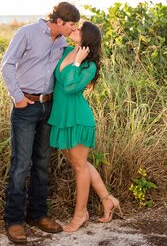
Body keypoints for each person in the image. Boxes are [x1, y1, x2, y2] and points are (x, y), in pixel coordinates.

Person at [1, 2, 81, 245]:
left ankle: (37, 215)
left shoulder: (63, 43)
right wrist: (18, 98)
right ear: (59, 21)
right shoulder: (26, 33)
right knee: (21, 165)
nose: (73, 29)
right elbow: (7, 66)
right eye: (72, 25)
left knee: (42, 163)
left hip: (49, 107)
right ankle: (14, 221)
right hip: (26, 106)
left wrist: (78, 41)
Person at [48, 21, 122, 232]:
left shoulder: (89, 65)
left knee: (79, 166)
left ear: (87, 37)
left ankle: (80, 215)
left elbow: (71, 87)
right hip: (61, 116)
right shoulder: (67, 51)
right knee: (79, 163)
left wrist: (78, 63)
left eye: (79, 29)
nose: (75, 30)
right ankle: (107, 199)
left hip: (78, 118)